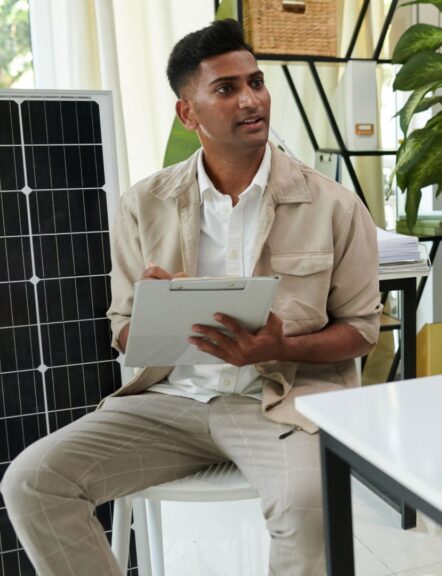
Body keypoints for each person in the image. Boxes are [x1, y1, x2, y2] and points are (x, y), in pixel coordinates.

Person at [0, 19, 381, 575]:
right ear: (188, 113)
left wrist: (281, 347)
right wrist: (157, 315)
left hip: (277, 402)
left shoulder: (335, 206)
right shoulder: (144, 204)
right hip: (170, 403)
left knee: (307, 508)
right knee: (33, 482)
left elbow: (362, 331)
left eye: (256, 81)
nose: (251, 99)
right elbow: (124, 331)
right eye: (226, 89)